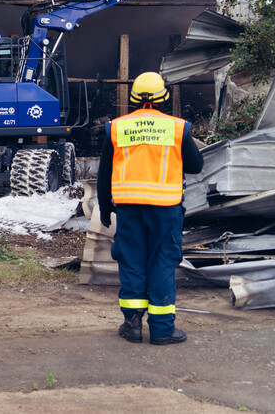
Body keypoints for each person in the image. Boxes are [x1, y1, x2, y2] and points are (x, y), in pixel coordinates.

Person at [97, 72, 203, 345]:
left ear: (133, 99)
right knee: (162, 263)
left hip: (129, 209)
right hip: (165, 210)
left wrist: (104, 205)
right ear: (164, 98)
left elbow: (104, 172)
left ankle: (132, 325)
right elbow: (196, 166)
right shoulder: (177, 128)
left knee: (132, 261)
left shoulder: (117, 127)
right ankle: (162, 329)